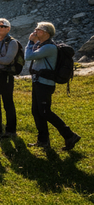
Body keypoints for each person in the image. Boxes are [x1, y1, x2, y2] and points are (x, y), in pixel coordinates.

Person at [25, 22, 82, 150]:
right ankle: (43, 140)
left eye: (38, 29)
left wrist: (30, 42)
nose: (35, 31)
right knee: (37, 111)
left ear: (46, 32)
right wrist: (34, 43)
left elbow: (28, 56)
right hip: (38, 82)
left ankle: (70, 135)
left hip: (45, 83)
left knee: (45, 111)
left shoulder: (49, 47)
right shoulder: (41, 45)